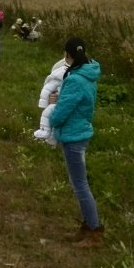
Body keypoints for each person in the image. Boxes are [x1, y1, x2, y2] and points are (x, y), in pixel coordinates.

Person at [48, 37, 104, 247]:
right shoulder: (88, 75)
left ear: (68, 55)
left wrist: (52, 117)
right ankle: (89, 225)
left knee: (80, 184)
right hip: (81, 132)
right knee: (78, 183)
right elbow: (74, 101)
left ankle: (94, 231)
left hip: (73, 136)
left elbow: (63, 110)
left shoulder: (74, 79)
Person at [33, 58, 68, 145]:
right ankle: (47, 133)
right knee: (49, 114)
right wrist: (47, 101)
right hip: (57, 104)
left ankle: (53, 137)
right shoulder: (59, 66)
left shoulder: (82, 71)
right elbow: (48, 89)